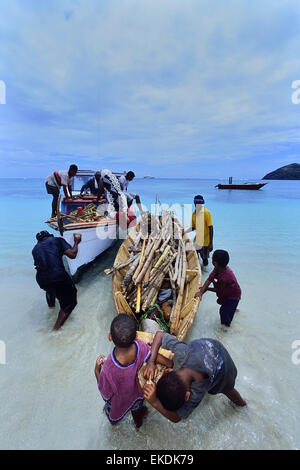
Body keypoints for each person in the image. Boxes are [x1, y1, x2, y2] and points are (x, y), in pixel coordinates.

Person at [142, 331, 246, 423]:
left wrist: (154, 402)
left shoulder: (197, 391)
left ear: (188, 396)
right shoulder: (183, 352)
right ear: (168, 372)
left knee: (227, 390)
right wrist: (151, 361)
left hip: (224, 371)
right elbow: (160, 335)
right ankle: (244, 407)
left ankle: (243, 406)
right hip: (211, 347)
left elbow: (177, 418)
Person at [95, 314, 173, 428]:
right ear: (136, 335)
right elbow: (152, 355)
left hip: (120, 402)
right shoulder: (140, 345)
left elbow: (105, 393)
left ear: (110, 337)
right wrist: (169, 363)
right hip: (137, 395)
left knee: (113, 416)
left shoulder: (108, 368)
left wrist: (97, 370)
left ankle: (114, 423)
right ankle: (138, 425)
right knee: (138, 413)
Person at [32, 230, 81, 330]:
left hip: (41, 280)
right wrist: (76, 242)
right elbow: (73, 254)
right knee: (70, 303)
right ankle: (55, 330)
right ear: (50, 236)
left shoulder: (35, 249)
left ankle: (51, 309)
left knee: (50, 289)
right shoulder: (57, 240)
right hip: (58, 276)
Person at [194, 249, 241, 327]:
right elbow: (209, 280)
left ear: (214, 263)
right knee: (227, 306)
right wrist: (201, 292)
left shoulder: (225, 277)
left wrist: (207, 289)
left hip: (233, 296)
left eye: (212, 258)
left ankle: (226, 327)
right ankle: (233, 309)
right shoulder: (217, 269)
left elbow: (219, 290)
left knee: (223, 311)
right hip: (227, 292)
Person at [185, 195, 213, 267]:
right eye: (196, 203)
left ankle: (205, 271)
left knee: (204, 259)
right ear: (194, 203)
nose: (197, 205)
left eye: (199, 203)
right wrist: (184, 232)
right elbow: (193, 227)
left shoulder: (207, 213)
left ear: (202, 203)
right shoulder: (194, 214)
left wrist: (211, 243)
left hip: (205, 242)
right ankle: (199, 269)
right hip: (197, 240)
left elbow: (211, 228)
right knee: (195, 257)